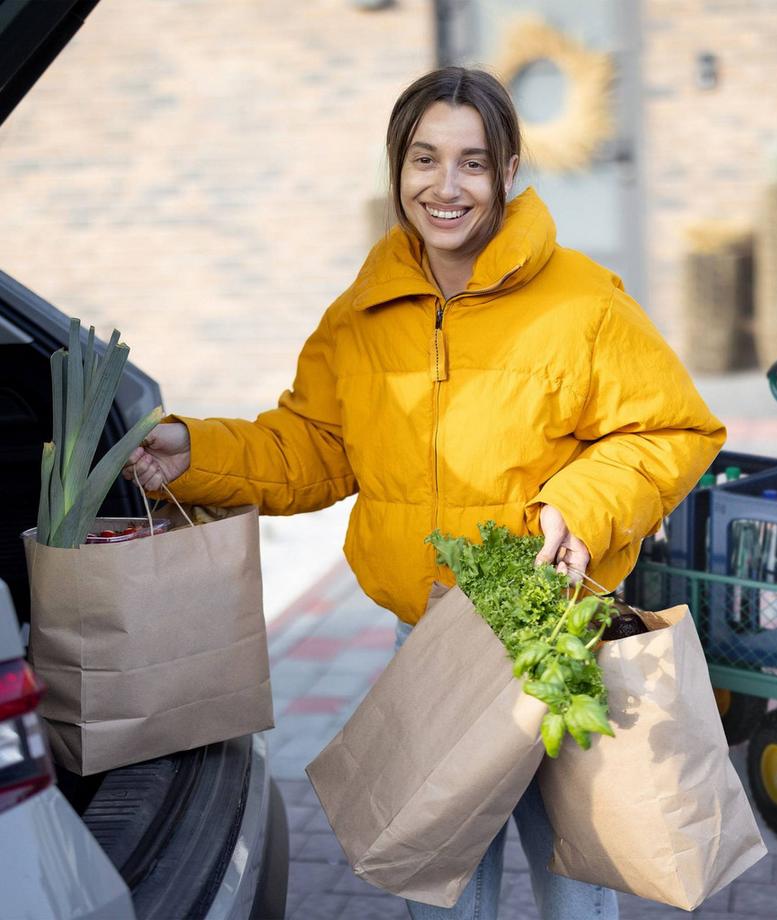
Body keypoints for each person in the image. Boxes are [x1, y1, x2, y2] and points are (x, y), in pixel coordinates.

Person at [125, 67, 726, 920]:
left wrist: (580, 508)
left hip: (550, 630)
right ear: (397, 169)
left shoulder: (584, 303)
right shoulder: (361, 313)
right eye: (424, 159)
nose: (446, 188)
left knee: (578, 887)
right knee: (441, 890)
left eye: (473, 163)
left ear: (509, 171)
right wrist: (196, 450)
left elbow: (672, 429)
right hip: (428, 639)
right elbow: (317, 448)